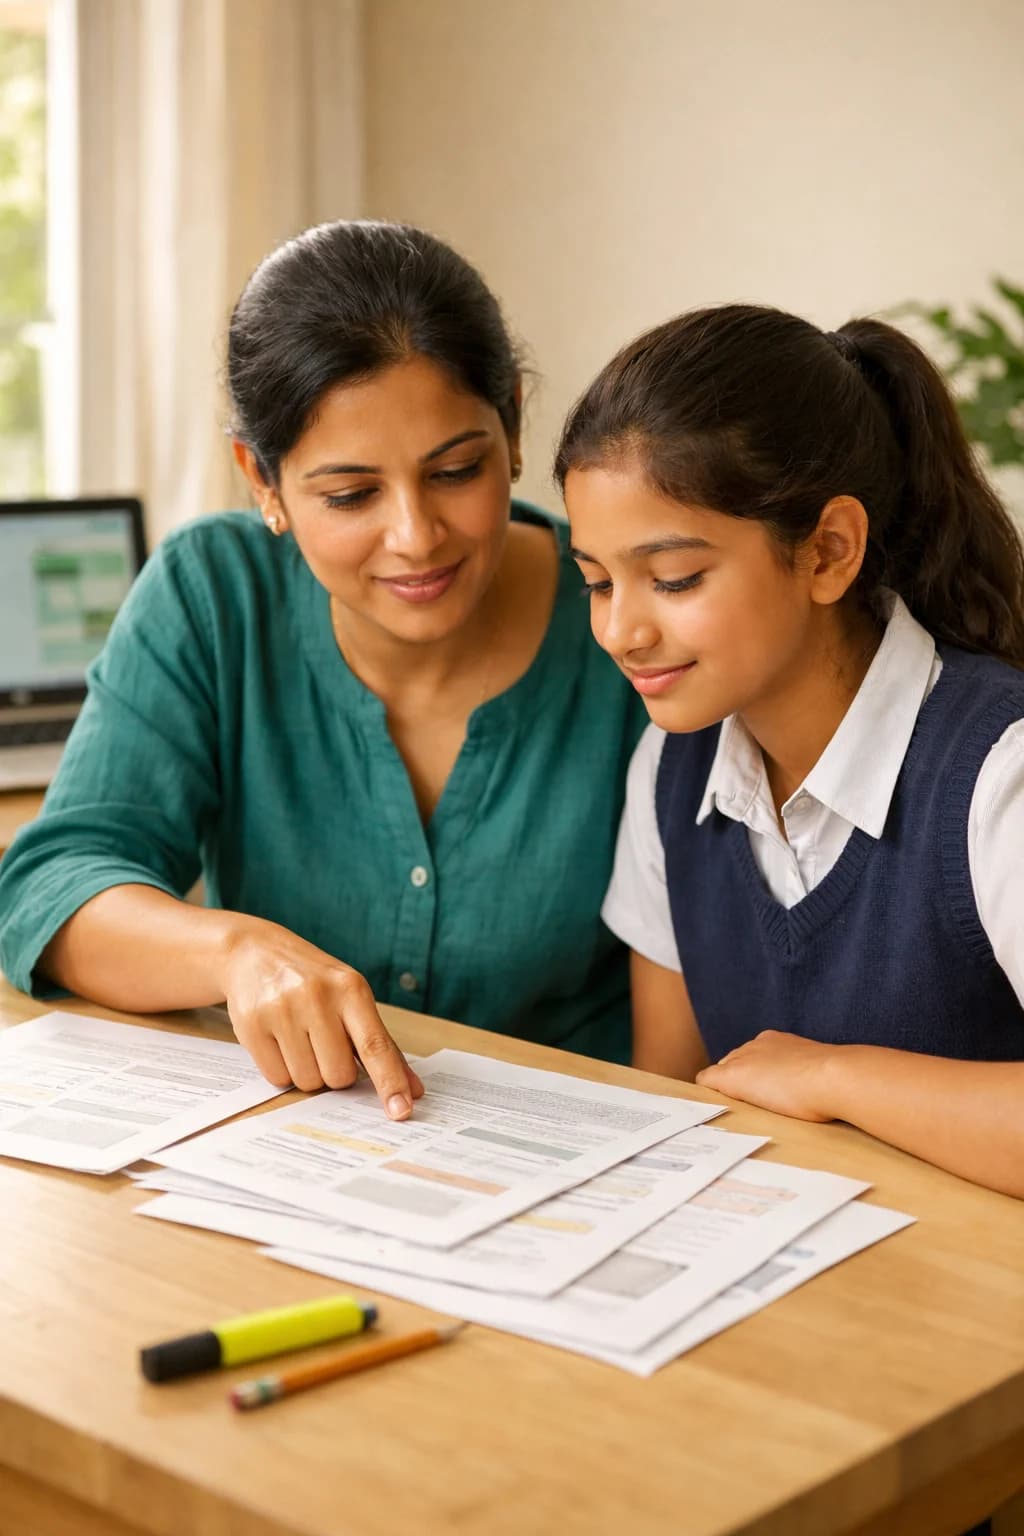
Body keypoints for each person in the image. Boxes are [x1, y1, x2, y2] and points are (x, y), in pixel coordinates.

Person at [0, 220, 645, 1118]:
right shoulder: (213, 593)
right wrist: (233, 953)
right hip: (296, 1161)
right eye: (350, 495)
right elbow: (54, 882)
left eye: (457, 470)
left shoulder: (632, 616)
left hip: (578, 1164)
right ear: (261, 481)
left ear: (516, 426)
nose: (417, 537)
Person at [555, 303, 1024, 1198]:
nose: (621, 630)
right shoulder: (673, 770)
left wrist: (833, 1078)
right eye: (597, 581)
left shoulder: (1000, 774)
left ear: (828, 551)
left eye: (674, 579)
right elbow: (670, 1100)